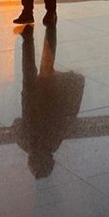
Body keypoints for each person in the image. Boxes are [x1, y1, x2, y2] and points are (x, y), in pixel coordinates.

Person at [13, 25, 84, 179]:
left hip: (50, 95)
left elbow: (63, 120)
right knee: (29, 68)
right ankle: (28, 38)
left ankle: (49, 30)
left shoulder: (54, 142)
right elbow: (17, 124)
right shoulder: (26, 144)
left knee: (47, 61)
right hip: (31, 97)